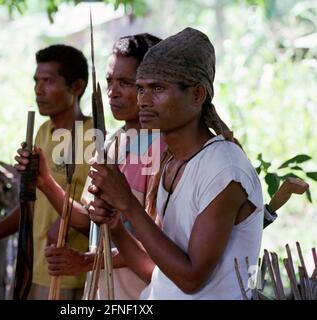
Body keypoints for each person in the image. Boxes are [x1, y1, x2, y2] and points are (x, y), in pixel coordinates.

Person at [88, 27, 264, 299]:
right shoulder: (170, 162)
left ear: (197, 95)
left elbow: (191, 279)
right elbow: (157, 273)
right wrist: (116, 228)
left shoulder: (224, 168)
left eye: (158, 89)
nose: (143, 100)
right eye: (140, 89)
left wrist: (128, 204)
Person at [16, 33, 164, 300]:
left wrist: (85, 261)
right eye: (109, 81)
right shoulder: (112, 144)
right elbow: (89, 221)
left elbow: (159, 250)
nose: (112, 92)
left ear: (151, 85)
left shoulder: (163, 150)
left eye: (125, 83)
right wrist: (46, 182)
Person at [0, 44, 92, 300]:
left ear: (76, 87)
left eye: (48, 81)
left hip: (65, 275)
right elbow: (32, 202)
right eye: (36, 81)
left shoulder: (92, 138)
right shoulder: (42, 131)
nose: (38, 90)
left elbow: (96, 210)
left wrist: (64, 222)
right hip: (30, 267)